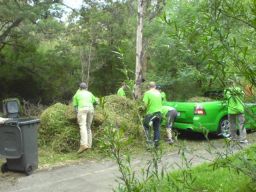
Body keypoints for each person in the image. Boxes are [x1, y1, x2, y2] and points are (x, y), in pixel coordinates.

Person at [73, 82, 98, 153]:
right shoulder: (90, 93)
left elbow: (75, 107)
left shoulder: (77, 94)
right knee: (88, 127)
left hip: (82, 109)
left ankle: (84, 144)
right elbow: (96, 102)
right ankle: (89, 146)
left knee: (82, 126)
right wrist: (93, 105)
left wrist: (78, 115)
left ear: (79, 88)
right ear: (86, 88)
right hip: (91, 109)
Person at [224, 79, 248, 144]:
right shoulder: (239, 89)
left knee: (232, 124)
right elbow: (243, 96)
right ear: (234, 83)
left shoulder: (226, 91)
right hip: (240, 109)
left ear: (228, 84)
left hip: (231, 110)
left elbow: (226, 98)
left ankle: (233, 138)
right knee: (241, 124)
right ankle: (243, 139)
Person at [143, 81, 162, 147]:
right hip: (159, 113)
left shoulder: (147, 93)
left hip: (151, 113)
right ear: (155, 86)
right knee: (156, 128)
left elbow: (145, 105)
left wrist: (142, 109)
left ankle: (148, 143)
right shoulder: (159, 93)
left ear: (148, 86)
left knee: (146, 126)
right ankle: (156, 143)